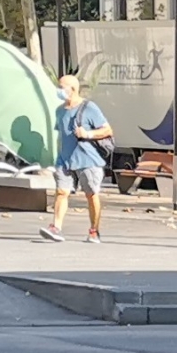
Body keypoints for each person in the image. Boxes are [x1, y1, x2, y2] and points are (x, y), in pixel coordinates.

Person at [40, 75, 114, 243]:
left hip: (88, 160)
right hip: (65, 160)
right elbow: (61, 135)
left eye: (61, 87)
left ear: (72, 89)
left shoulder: (90, 108)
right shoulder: (59, 110)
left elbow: (108, 130)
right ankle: (56, 228)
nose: (58, 90)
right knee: (61, 192)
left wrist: (87, 134)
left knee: (91, 194)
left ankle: (94, 230)